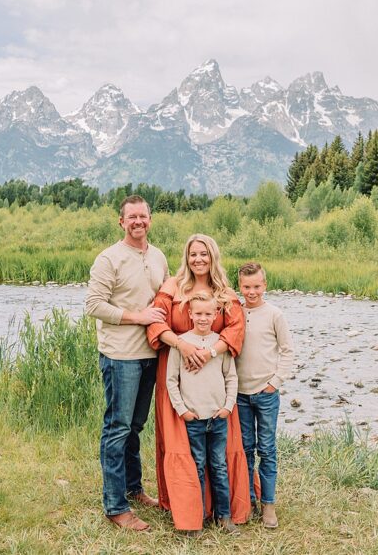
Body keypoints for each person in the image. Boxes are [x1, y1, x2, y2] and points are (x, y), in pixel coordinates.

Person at [147, 233, 252, 531]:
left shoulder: (224, 292)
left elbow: (236, 329)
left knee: (219, 453)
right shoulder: (172, 287)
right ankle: (189, 509)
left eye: (204, 254)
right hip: (179, 374)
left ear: (213, 256)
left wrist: (207, 353)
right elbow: (156, 324)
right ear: (186, 256)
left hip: (214, 378)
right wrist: (183, 346)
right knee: (183, 444)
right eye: (193, 254)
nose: (198, 259)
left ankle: (223, 510)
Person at [84, 195, 169, 532]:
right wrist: (138, 317)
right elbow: (94, 305)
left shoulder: (159, 256)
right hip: (121, 357)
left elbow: (166, 298)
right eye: (131, 216)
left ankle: (134, 489)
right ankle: (115, 506)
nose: (138, 221)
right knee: (117, 428)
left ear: (150, 219)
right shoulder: (109, 259)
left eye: (143, 216)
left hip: (151, 355)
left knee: (135, 427)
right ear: (121, 222)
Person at [165, 293, 240, 537]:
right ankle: (196, 516)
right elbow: (171, 381)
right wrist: (182, 410)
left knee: (218, 466)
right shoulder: (181, 343)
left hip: (217, 417)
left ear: (216, 315)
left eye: (208, 314)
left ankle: (224, 516)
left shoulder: (220, 344)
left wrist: (228, 406)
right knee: (196, 467)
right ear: (189, 314)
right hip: (194, 419)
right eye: (198, 313)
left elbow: (231, 377)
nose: (203, 318)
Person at [236, 262, 294, 528]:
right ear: (240, 286)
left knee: (267, 449)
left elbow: (287, 350)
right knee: (245, 448)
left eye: (257, 286)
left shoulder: (274, 314)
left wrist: (275, 381)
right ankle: (248, 499)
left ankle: (268, 504)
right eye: (247, 287)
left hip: (266, 392)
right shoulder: (235, 312)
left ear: (265, 285)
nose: (252, 292)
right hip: (240, 393)